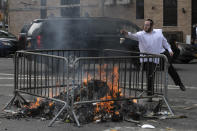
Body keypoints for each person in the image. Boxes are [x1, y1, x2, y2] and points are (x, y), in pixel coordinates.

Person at [120, 19, 186, 95]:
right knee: (150, 74)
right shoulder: (141, 34)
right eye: (144, 25)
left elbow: (165, 42)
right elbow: (132, 35)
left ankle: (179, 83)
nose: (145, 26)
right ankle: (150, 93)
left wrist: (170, 50)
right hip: (150, 57)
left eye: (147, 25)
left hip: (160, 54)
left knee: (170, 68)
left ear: (151, 26)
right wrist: (126, 33)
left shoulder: (158, 33)